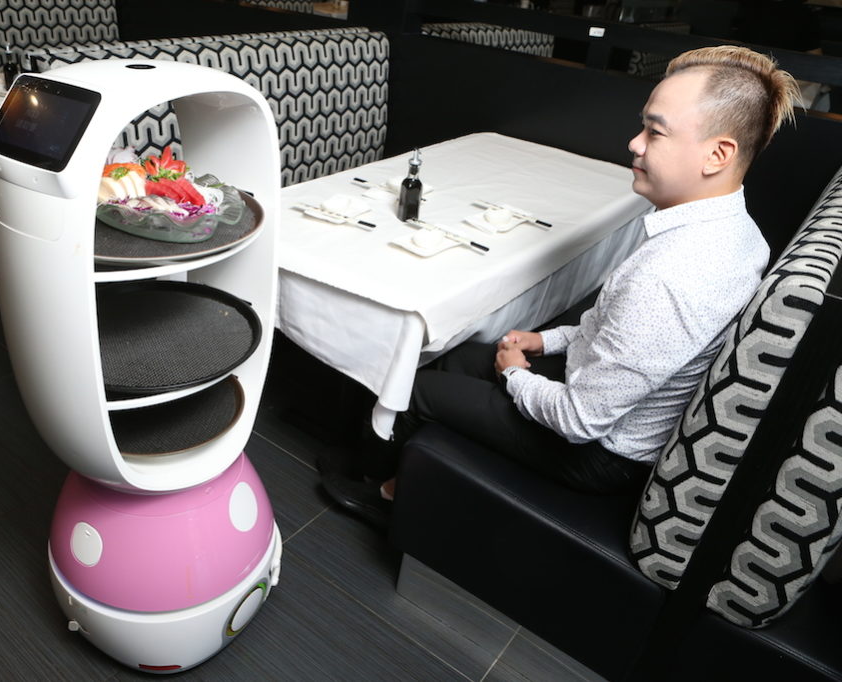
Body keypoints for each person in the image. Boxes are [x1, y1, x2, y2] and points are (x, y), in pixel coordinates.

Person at [321, 45, 802, 529]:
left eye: (655, 132)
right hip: (598, 395)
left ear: (717, 155)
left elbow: (579, 421)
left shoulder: (672, 276)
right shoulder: (739, 231)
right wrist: (544, 341)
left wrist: (515, 374)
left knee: (417, 389)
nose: (635, 143)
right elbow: (619, 332)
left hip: (598, 452)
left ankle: (383, 495)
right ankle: (384, 461)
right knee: (457, 356)